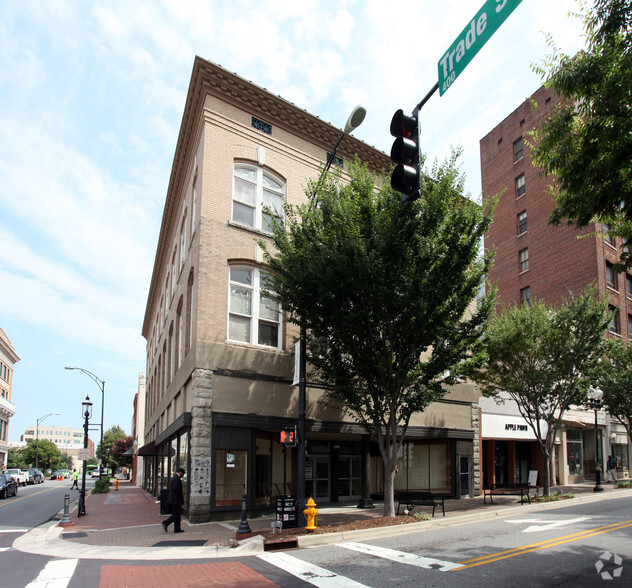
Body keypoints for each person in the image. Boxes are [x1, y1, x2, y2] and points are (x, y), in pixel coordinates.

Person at [162, 468, 185, 533]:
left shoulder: (175, 477)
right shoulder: (176, 478)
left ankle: (177, 528)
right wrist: (181, 492)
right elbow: (175, 488)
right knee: (176, 514)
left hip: (174, 500)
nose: (182, 476)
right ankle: (166, 523)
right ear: (181, 473)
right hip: (175, 500)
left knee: (178, 514)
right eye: (182, 474)